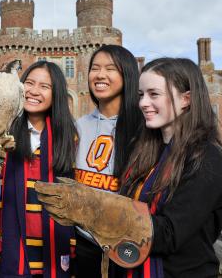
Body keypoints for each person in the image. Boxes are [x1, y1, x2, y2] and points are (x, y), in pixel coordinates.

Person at [35, 58, 222, 278]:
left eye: (154, 94)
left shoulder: (208, 158)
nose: (143, 103)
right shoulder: (147, 150)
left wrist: (91, 208)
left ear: (185, 99)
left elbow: (169, 234)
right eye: (141, 95)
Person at [0, 61, 78, 278]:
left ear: (57, 94)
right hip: (13, 257)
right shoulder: (1, 141)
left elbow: (75, 206)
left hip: (59, 259)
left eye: (44, 86)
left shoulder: (70, 141)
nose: (33, 91)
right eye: (29, 83)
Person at [73, 45, 143, 277]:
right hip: (83, 241)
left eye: (110, 69)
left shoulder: (143, 128)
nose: (100, 75)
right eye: (95, 68)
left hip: (127, 245)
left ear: (128, 75)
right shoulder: (79, 126)